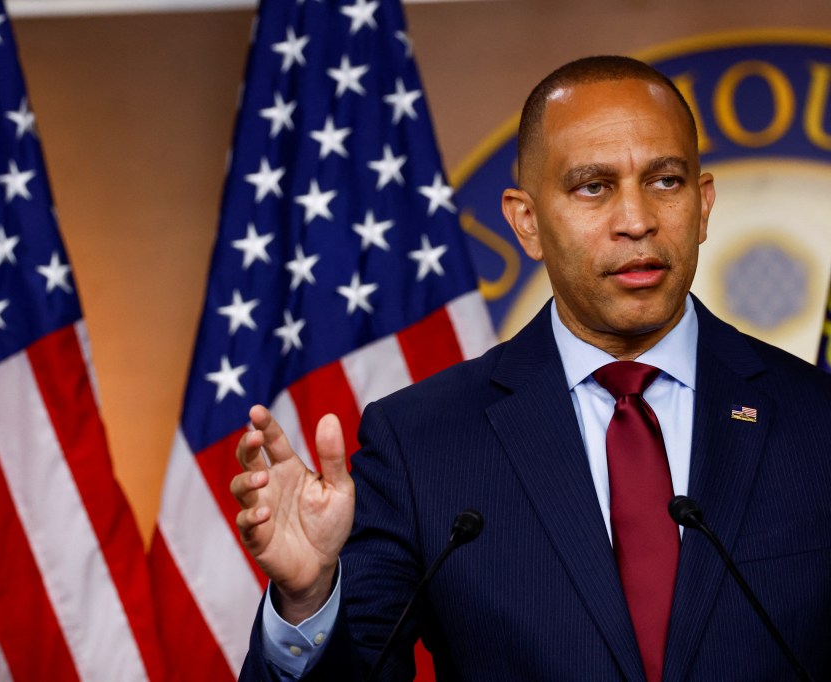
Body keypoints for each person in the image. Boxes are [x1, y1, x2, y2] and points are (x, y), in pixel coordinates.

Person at [230, 55, 831, 681]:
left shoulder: (817, 421)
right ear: (526, 222)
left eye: (665, 181)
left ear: (703, 205)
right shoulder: (420, 444)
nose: (637, 221)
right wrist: (306, 598)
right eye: (593, 187)